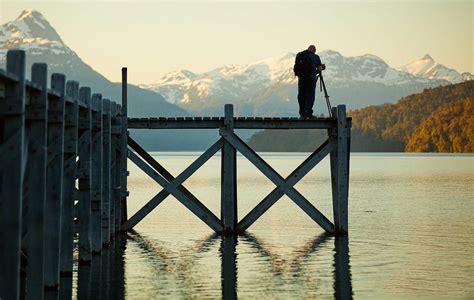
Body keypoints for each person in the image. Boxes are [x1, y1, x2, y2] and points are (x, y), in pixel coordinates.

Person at [294, 45, 324, 119]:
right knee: (310, 96)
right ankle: (308, 114)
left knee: (301, 96)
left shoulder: (299, 55)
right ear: (314, 50)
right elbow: (319, 69)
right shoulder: (315, 57)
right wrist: (320, 69)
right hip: (311, 79)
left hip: (301, 79)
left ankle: (302, 114)